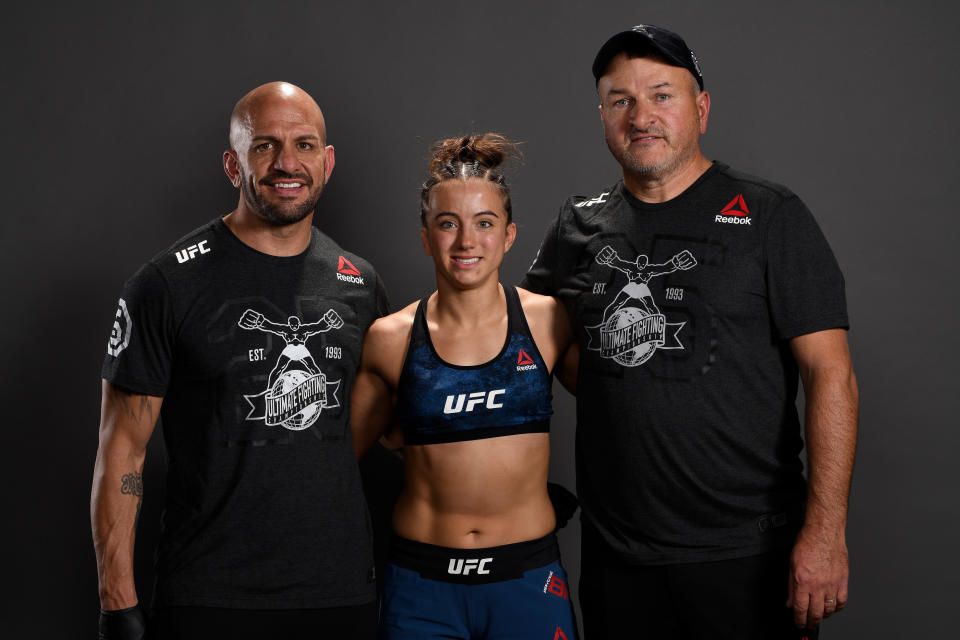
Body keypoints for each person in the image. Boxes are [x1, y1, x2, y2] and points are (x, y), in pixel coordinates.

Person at [522, 25, 859, 639]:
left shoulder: (770, 215)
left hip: (747, 554)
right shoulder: (577, 227)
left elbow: (830, 373)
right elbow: (534, 349)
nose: (641, 116)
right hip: (617, 556)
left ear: (701, 108)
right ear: (602, 114)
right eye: (620, 99)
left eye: (662, 95)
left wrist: (825, 532)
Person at [91, 81, 389, 640]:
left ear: (327, 163)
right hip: (209, 597)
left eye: (304, 145)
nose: (287, 163)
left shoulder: (360, 284)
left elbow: (386, 425)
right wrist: (117, 604)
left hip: (340, 594)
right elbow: (122, 451)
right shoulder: (167, 284)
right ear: (233, 164)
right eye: (264, 146)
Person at [351, 134, 579, 640]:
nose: (466, 242)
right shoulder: (390, 339)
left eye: (484, 223)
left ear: (510, 234)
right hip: (422, 585)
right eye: (447, 224)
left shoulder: (548, 322)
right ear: (426, 236)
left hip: (527, 581)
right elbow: (336, 465)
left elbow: (632, 405)